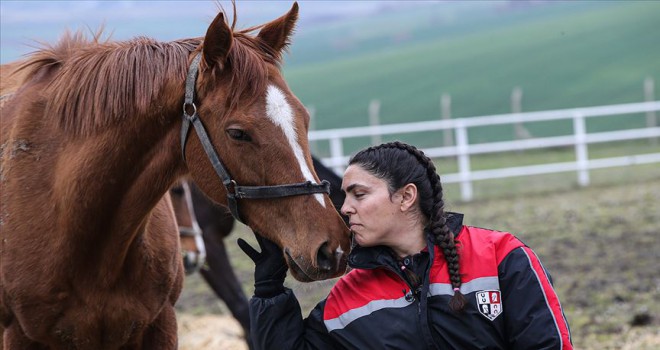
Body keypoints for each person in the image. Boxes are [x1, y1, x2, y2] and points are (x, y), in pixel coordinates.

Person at [238, 141, 573, 349]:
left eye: (360, 194)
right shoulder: (347, 299)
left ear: (405, 196)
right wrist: (269, 291)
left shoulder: (502, 257)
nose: (344, 207)